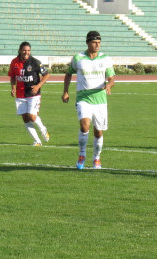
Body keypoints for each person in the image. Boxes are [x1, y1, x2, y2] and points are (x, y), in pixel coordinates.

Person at [62, 31, 115, 169]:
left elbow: (111, 79)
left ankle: (96, 159)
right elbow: (68, 74)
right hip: (83, 98)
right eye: (94, 42)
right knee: (85, 125)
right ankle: (82, 154)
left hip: (100, 100)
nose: (97, 45)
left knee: (98, 131)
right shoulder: (78, 58)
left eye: (99, 42)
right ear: (88, 42)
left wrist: (109, 85)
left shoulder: (105, 59)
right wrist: (65, 92)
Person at [8, 41, 50, 146]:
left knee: (32, 116)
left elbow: (46, 75)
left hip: (33, 94)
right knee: (25, 118)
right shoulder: (14, 62)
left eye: (28, 50)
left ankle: (43, 129)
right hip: (20, 94)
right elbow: (12, 77)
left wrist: (37, 86)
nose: (26, 52)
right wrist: (13, 87)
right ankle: (37, 141)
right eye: (24, 50)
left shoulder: (35, 62)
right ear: (20, 50)